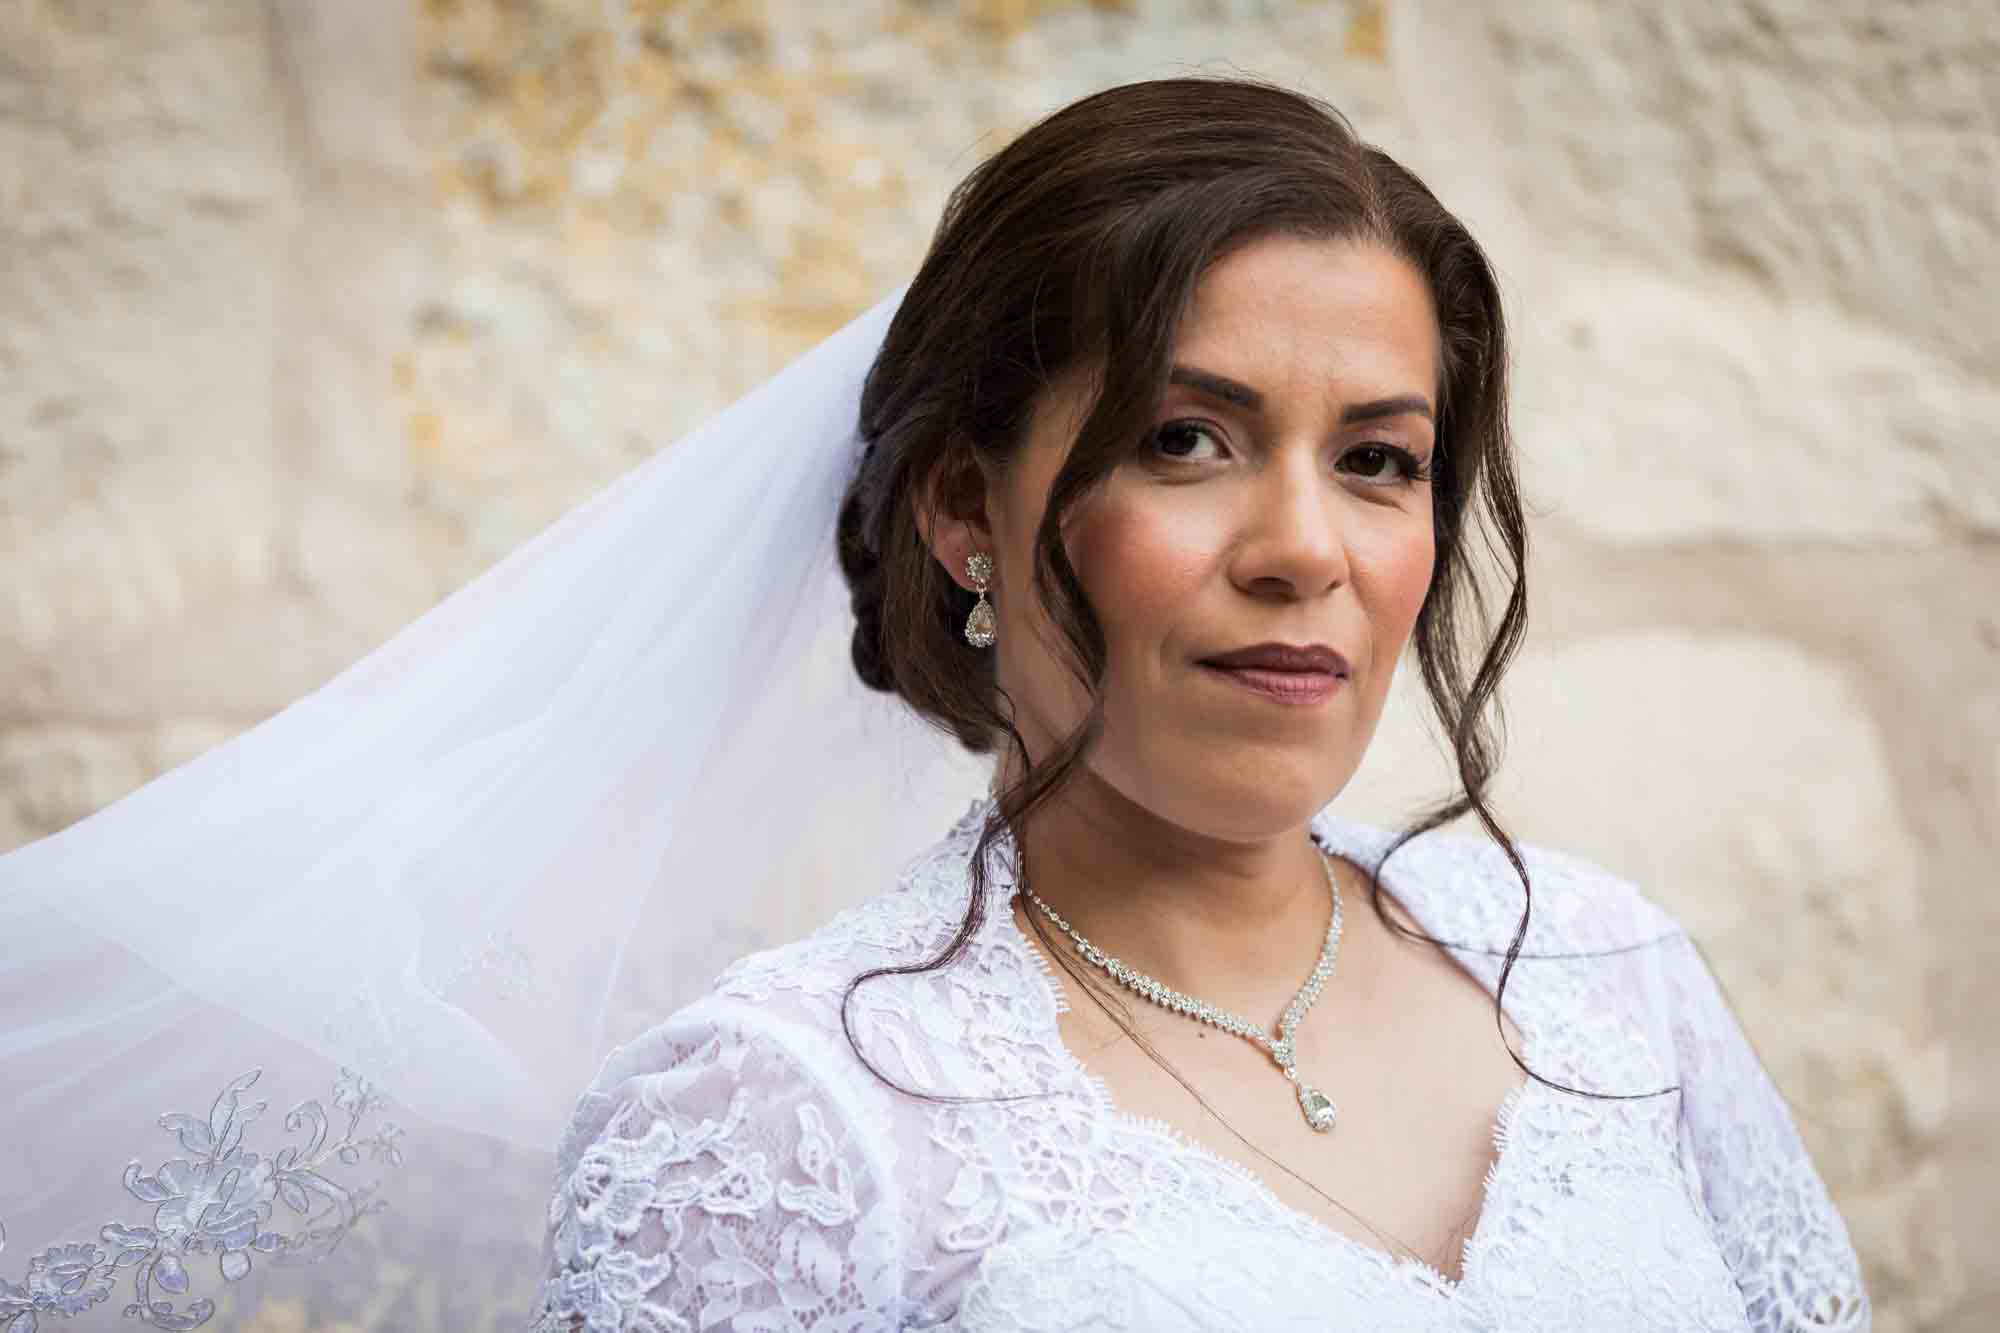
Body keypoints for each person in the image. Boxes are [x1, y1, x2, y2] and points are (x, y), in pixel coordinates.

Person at [0, 78, 1866, 1333]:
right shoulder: (779, 1122)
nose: (1308, 548)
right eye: (1187, 439)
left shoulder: (1610, 984)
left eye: (1379, 460)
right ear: (970, 505)